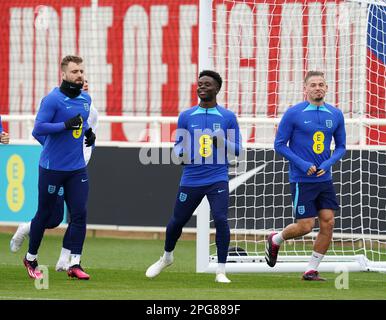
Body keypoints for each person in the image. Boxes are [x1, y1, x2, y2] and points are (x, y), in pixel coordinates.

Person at [145, 70, 241, 283]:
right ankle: (167, 257)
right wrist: (181, 153)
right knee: (177, 221)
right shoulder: (186, 116)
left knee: (221, 219)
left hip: (217, 177)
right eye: (199, 84)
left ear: (217, 89)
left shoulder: (227, 117)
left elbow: (237, 151)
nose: (201, 87)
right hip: (191, 177)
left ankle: (221, 271)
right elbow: (178, 146)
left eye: (207, 84)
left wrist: (222, 141)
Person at [10, 78, 98, 273]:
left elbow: (86, 131)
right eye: (76, 74)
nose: (82, 81)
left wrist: (91, 137)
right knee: (52, 219)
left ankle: (68, 262)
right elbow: (39, 130)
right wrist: (56, 150)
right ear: (66, 77)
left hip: (78, 167)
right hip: (56, 167)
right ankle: (26, 229)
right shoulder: (55, 101)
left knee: (79, 213)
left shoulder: (89, 106)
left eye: (84, 77)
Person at [266, 70, 346, 281]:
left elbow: (341, 147)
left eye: (321, 84)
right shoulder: (294, 113)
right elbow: (280, 145)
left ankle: (311, 269)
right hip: (302, 179)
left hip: (324, 179)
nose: (317, 87)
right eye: (313, 85)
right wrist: (302, 164)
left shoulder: (335, 114)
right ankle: (276, 239)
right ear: (305, 89)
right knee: (306, 226)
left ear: (327, 88)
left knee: (328, 222)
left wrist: (328, 163)